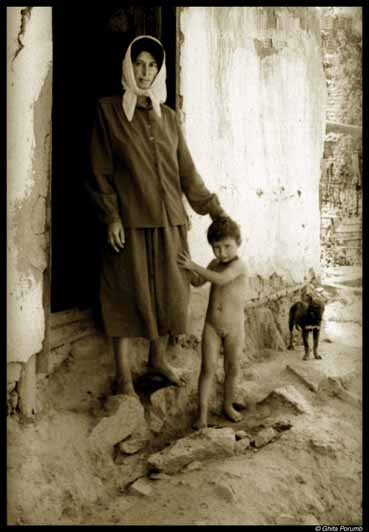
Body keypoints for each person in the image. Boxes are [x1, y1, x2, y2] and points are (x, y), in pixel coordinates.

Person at [87, 35, 226, 396]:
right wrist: (111, 216)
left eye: (152, 65)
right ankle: (122, 376)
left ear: (159, 70)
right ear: (128, 67)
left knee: (168, 291)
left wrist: (212, 208)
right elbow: (99, 170)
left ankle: (157, 360)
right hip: (130, 222)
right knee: (125, 294)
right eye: (139, 63)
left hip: (170, 220)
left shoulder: (168, 117)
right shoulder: (109, 111)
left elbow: (187, 173)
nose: (145, 72)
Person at [177, 216, 247, 429]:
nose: (222, 253)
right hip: (212, 326)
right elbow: (198, 282)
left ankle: (227, 406)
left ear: (238, 243)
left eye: (227, 246)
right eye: (216, 248)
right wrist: (185, 270)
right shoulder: (213, 264)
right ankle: (202, 414)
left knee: (232, 368)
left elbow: (222, 279)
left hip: (235, 328)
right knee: (207, 369)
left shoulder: (239, 266)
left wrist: (193, 265)